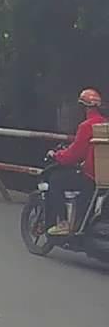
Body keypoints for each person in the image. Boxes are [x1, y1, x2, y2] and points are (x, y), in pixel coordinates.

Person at [46, 88, 106, 236]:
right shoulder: (104, 124)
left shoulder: (86, 126)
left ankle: (63, 223)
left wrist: (56, 155)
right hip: (102, 176)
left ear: (83, 107)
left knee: (55, 180)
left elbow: (74, 155)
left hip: (90, 175)